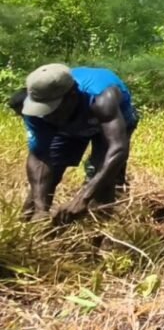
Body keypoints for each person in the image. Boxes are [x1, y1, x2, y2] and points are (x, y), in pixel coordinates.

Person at [18, 64, 138, 224]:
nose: (47, 115)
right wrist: (41, 210)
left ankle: (98, 236)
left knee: (103, 181)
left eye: (53, 108)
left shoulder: (102, 98)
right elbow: (39, 156)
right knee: (44, 184)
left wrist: (84, 197)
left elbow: (117, 149)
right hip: (70, 125)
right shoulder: (37, 110)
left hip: (110, 124)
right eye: (42, 109)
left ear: (72, 95)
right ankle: (34, 227)